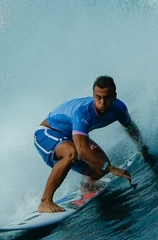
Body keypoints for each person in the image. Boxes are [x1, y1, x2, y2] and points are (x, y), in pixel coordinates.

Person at [33, 75, 151, 213]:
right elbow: (81, 150)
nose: (102, 103)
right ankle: (45, 201)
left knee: (100, 167)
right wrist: (112, 169)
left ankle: (87, 186)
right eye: (98, 97)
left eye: (107, 98)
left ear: (114, 96)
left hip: (70, 136)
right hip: (47, 133)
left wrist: (142, 148)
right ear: (93, 96)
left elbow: (130, 128)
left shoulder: (119, 108)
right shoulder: (83, 112)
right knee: (72, 153)